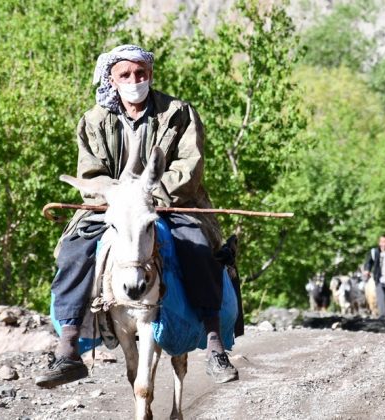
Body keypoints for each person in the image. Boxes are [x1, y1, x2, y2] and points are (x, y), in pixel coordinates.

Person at [35, 45, 238, 388]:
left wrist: (149, 194)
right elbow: (91, 174)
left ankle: (215, 346)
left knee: (197, 245)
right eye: (125, 75)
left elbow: (190, 166)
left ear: (150, 75)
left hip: (173, 201)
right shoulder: (94, 120)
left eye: (141, 73)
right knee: (73, 249)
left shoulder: (178, 112)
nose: (134, 80)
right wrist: (121, 196)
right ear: (111, 80)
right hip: (111, 205)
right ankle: (68, 347)